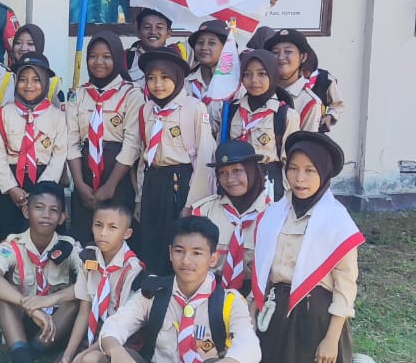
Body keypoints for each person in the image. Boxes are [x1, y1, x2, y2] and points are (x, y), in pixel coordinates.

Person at [99, 217, 261, 363]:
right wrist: (116, 350)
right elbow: (114, 326)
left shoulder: (229, 300)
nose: (186, 261)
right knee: (124, 357)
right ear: (170, 253)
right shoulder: (153, 292)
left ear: (213, 259)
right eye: (179, 251)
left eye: (197, 253)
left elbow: (249, 348)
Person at [251, 131, 363, 363]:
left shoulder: (337, 221)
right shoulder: (274, 213)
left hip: (315, 315)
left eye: (310, 171)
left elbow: (345, 286)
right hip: (277, 309)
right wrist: (254, 308)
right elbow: (263, 268)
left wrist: (331, 337)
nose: (299, 179)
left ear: (324, 174)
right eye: (293, 169)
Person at [0, 182, 81, 363]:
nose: (46, 215)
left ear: (62, 217)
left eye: (54, 210)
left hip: (54, 327)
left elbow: (90, 286)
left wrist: (50, 300)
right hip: (20, 324)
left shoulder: (70, 247)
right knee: (4, 297)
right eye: (39, 207)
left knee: (75, 300)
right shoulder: (13, 244)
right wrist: (29, 307)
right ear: (27, 211)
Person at [42, 201, 144, 363]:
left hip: (121, 341)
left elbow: (124, 327)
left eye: (112, 227)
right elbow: (84, 310)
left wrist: (83, 356)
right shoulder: (88, 257)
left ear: (127, 233)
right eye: (98, 225)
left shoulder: (133, 270)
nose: (103, 233)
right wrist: (69, 355)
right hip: (92, 334)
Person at [135, 48, 215, 275]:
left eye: (165, 77)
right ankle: (150, 287)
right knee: (150, 242)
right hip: (153, 181)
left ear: (178, 78)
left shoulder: (194, 108)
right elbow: (144, 155)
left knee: (176, 241)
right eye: (151, 78)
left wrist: (192, 203)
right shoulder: (147, 109)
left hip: (180, 183)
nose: (157, 84)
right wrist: (139, 197)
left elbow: (204, 158)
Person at [65, 33, 143, 243]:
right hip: (85, 174)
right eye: (93, 56)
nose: (99, 62)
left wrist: (110, 185)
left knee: (115, 237)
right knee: (83, 237)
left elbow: (132, 144)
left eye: (106, 56)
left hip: (118, 175)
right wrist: (79, 184)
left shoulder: (132, 94)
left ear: (117, 57)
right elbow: (71, 141)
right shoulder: (78, 94)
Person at [0, 53, 68, 241]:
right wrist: (11, 188)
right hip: (11, 184)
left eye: (36, 80)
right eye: (23, 80)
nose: (29, 85)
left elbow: (59, 156)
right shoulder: (4, 113)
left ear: (45, 82)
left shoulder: (57, 117)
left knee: (43, 235)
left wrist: (40, 191)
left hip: (45, 182)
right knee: (9, 236)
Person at [220, 50, 303, 199]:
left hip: (269, 183)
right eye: (247, 74)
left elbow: (291, 162)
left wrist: (285, 196)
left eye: (262, 74)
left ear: (273, 74)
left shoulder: (285, 115)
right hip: (235, 182)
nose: (253, 80)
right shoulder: (231, 111)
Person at [190, 140, 269, 293]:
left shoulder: (272, 214)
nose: (230, 179)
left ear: (252, 171)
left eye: (237, 170)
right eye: (223, 173)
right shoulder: (203, 211)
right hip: (209, 291)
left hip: (256, 295)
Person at [264, 29, 331, 133]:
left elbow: (306, 141)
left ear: (303, 57)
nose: (281, 57)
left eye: (288, 52)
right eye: (275, 52)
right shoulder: (261, 90)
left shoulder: (309, 101)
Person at [126, 8, 190, 84]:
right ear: (138, 32)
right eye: (147, 27)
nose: (153, 32)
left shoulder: (179, 54)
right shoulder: (126, 58)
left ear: (169, 33)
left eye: (159, 27)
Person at [5, 24, 64, 104]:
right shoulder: (5, 76)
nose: (23, 48)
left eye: (30, 44)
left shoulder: (52, 80)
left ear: (39, 46)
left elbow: (59, 109)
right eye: (18, 43)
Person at [299, 44, 347, 133]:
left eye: (304, 71)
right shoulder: (288, 80)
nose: (301, 74)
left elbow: (338, 105)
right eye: (299, 71)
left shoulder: (326, 80)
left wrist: (330, 116)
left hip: (316, 129)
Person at [185, 20, 233, 103]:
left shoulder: (233, 86)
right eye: (200, 42)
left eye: (211, 43)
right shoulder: (184, 82)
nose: (204, 47)